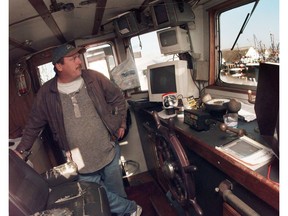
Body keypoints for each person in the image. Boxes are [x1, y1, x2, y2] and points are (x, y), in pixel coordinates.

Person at [15, 43, 142, 216]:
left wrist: (120, 124)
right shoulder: (46, 93)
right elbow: (33, 124)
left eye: (79, 56)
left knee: (117, 193)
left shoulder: (94, 78)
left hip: (108, 150)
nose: (79, 61)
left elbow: (118, 98)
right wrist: (21, 150)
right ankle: (130, 209)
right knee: (95, 195)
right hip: (80, 162)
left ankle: (128, 212)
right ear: (59, 66)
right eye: (73, 58)